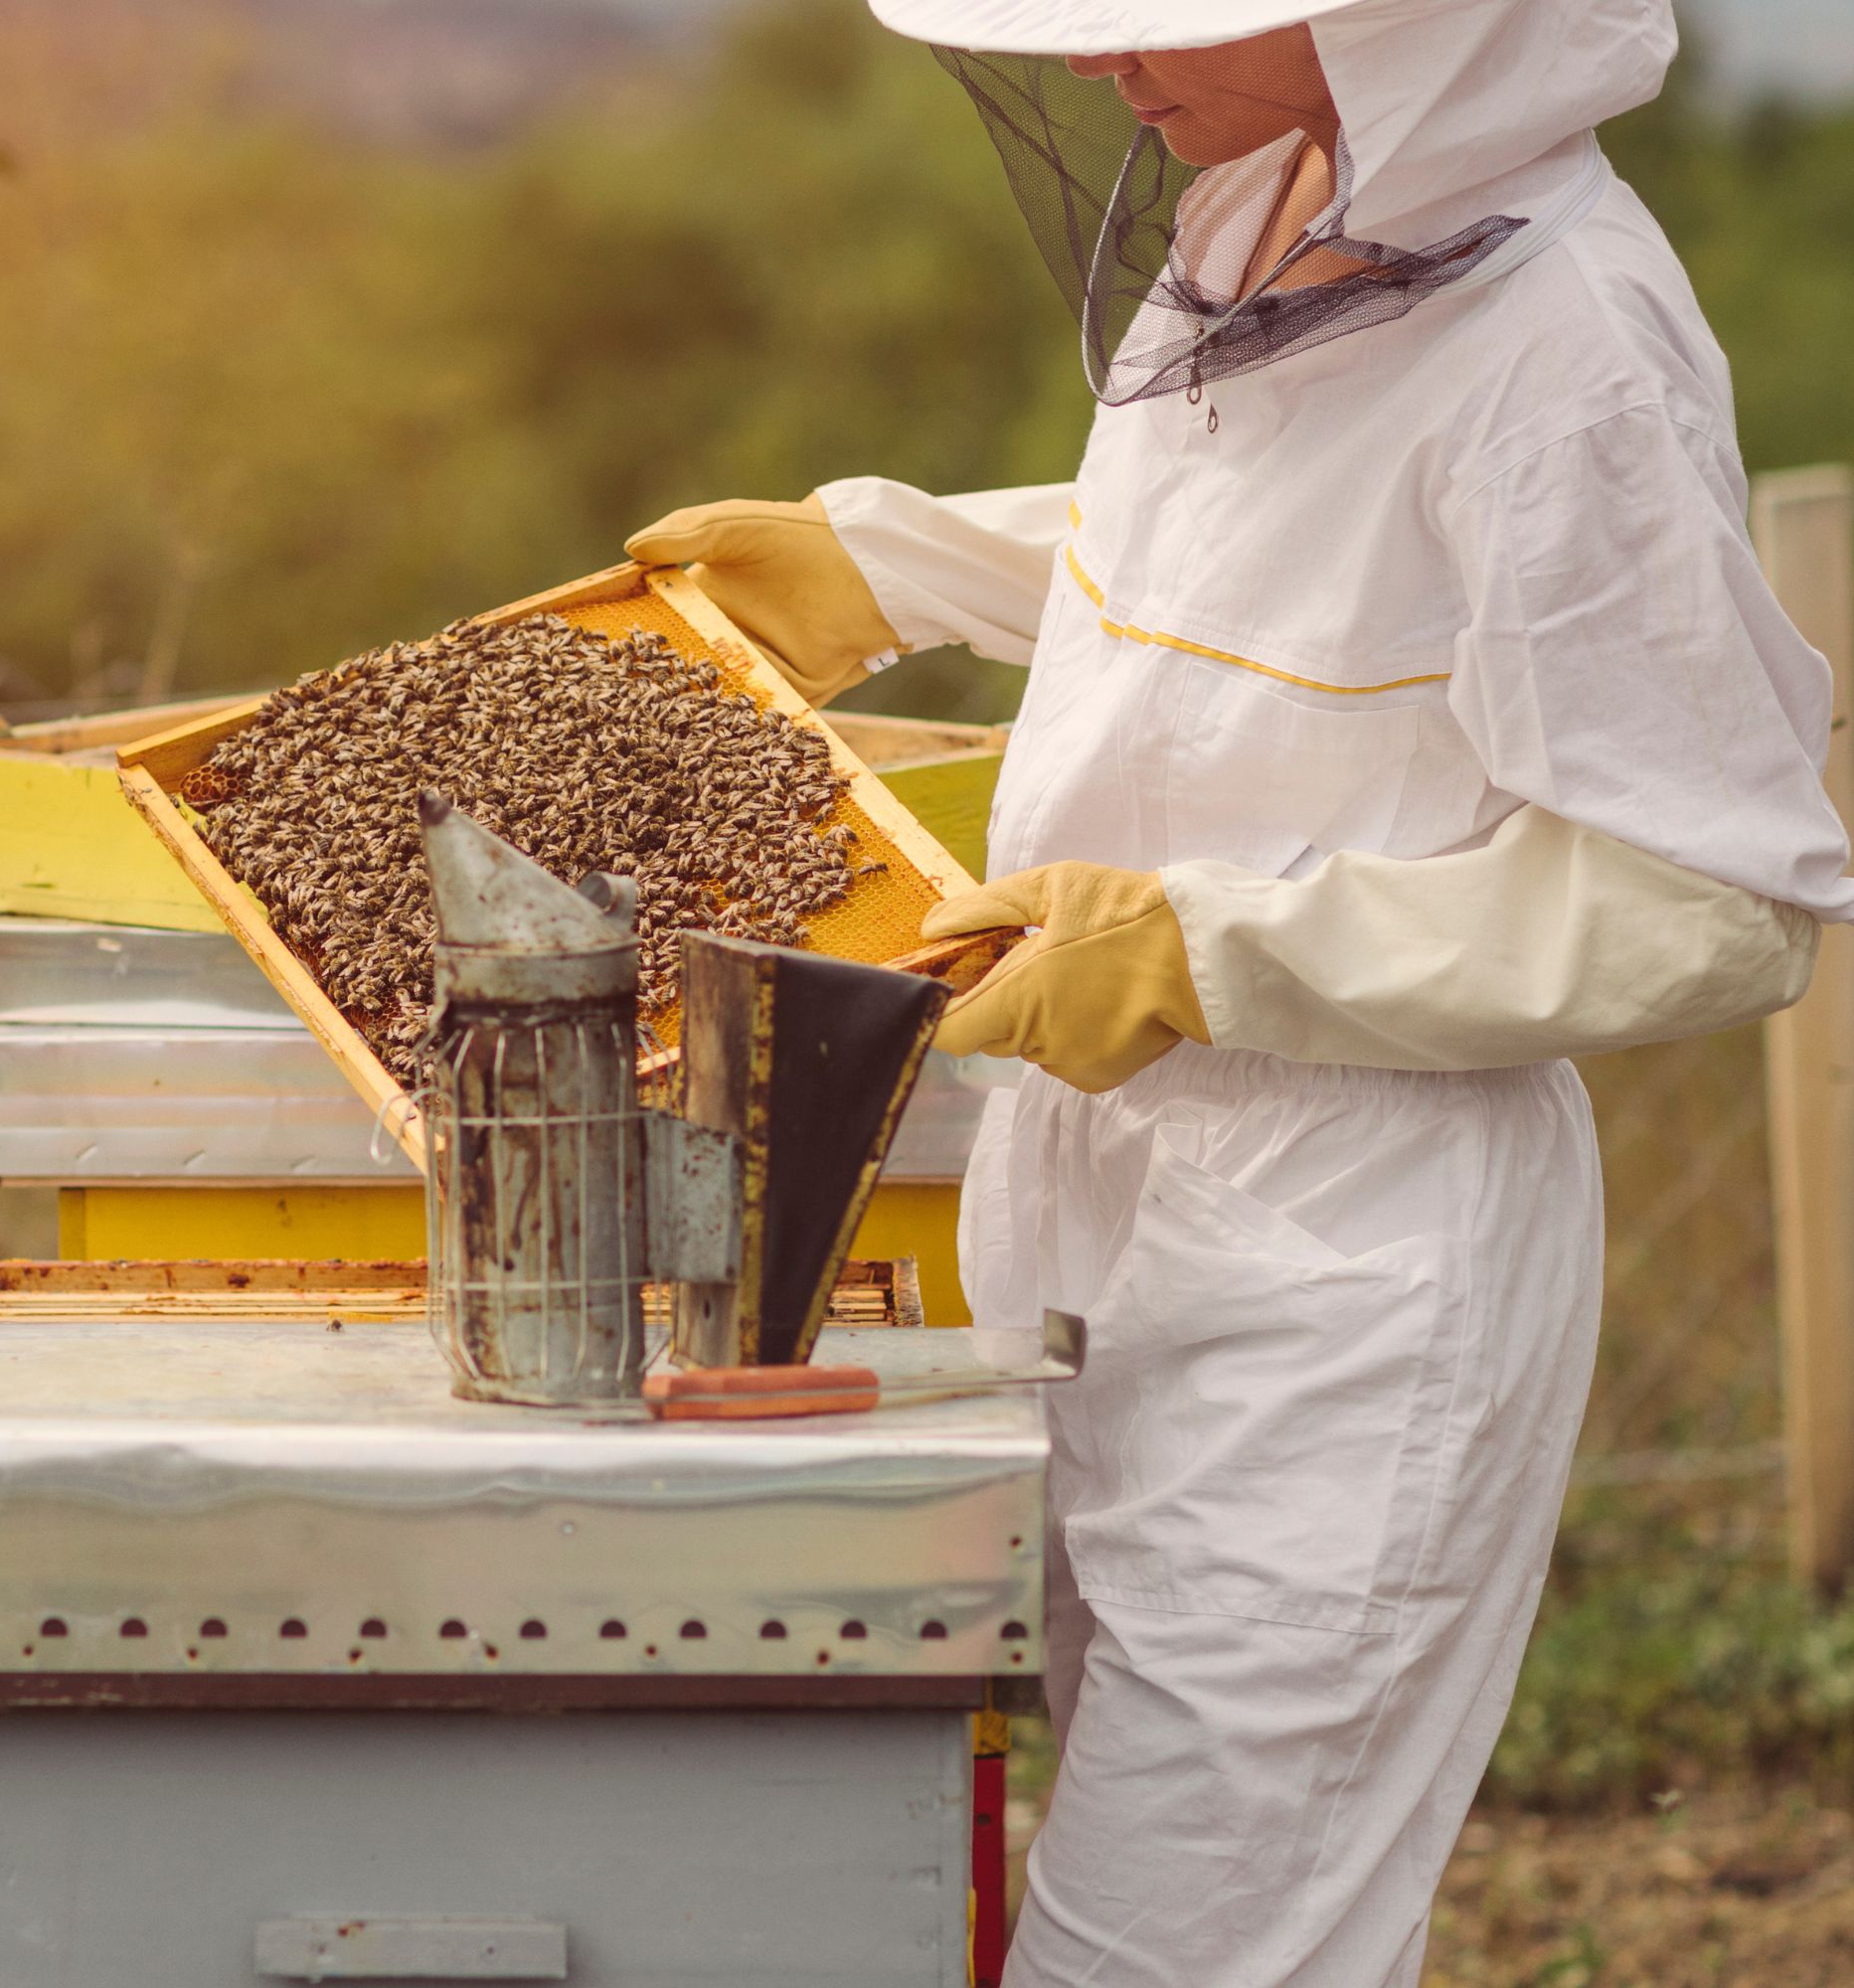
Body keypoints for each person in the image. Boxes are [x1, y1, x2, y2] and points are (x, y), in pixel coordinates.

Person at [626, 3, 1852, 1982]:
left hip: (1347, 1276)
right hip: (1099, 1196)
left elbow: (1709, 893)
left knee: (1175, 1951)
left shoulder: (1571, 360)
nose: (1112, 61)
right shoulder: (1255, 203)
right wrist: (903, 565)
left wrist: (1218, 953)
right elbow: (1234, 576)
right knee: (1076, 1861)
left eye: (1174, 13)